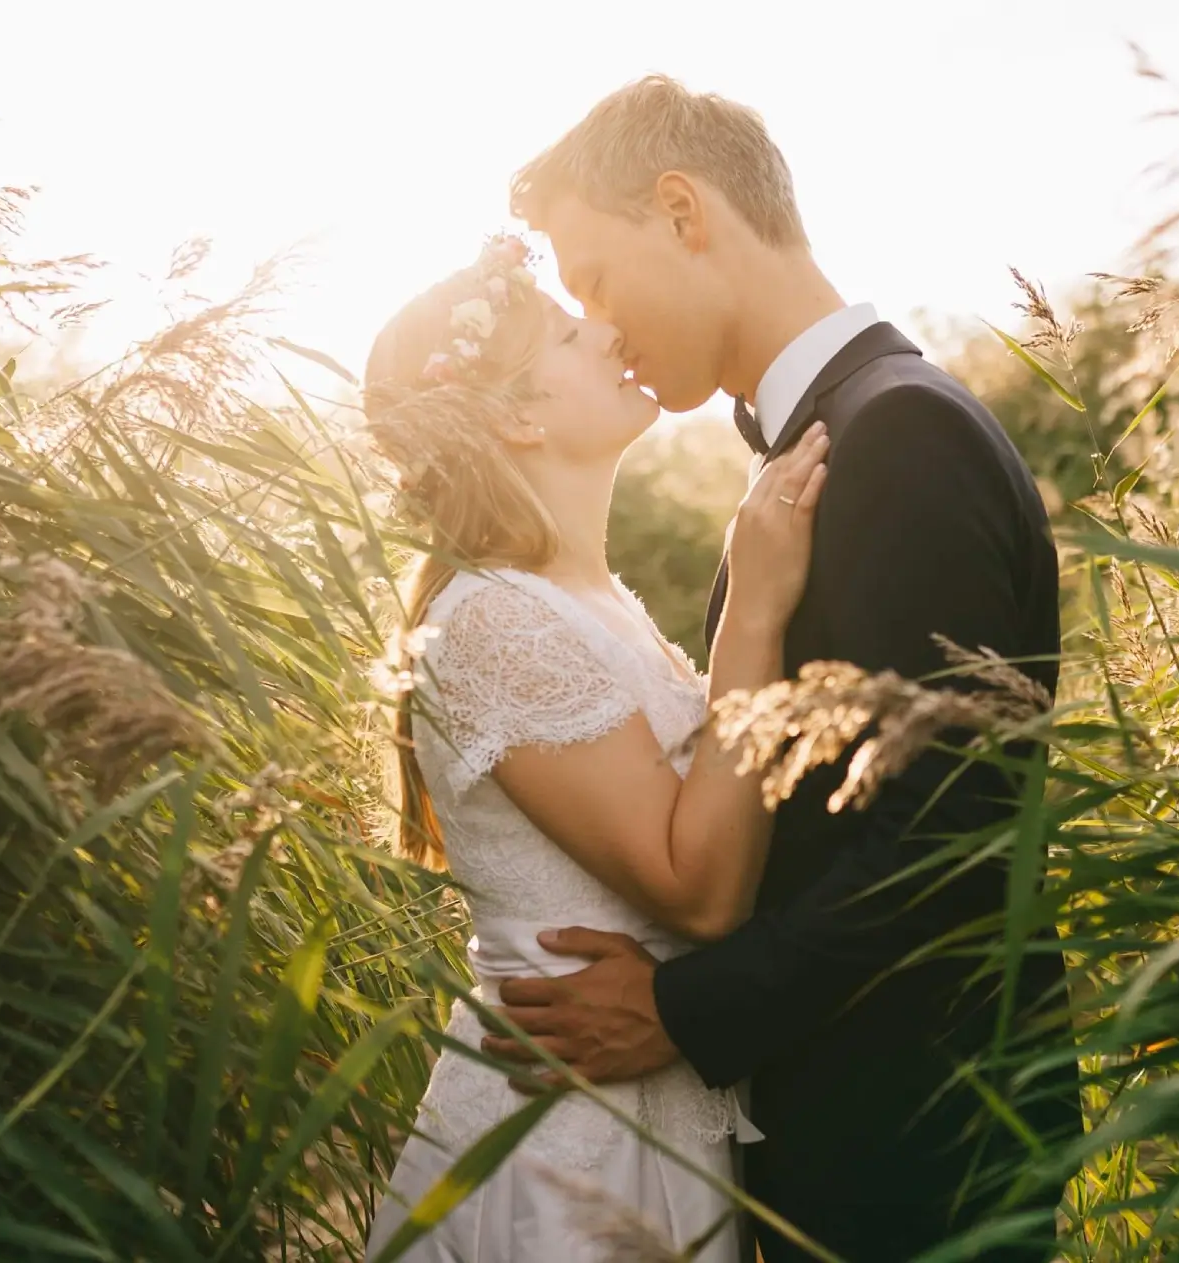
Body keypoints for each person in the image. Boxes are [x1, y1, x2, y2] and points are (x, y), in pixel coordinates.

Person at [485, 75, 1073, 1260]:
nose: (599, 326)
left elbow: (946, 833)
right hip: (846, 1135)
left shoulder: (901, 433)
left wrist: (681, 1011)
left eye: (594, 278)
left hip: (920, 1149)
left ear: (683, 211)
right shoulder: (829, 439)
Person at [358, 231, 828, 1262]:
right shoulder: (491, 622)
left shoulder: (588, 602)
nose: (608, 328)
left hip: (640, 1116)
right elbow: (700, 891)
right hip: (561, 1158)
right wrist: (751, 607)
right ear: (517, 416)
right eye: (572, 333)